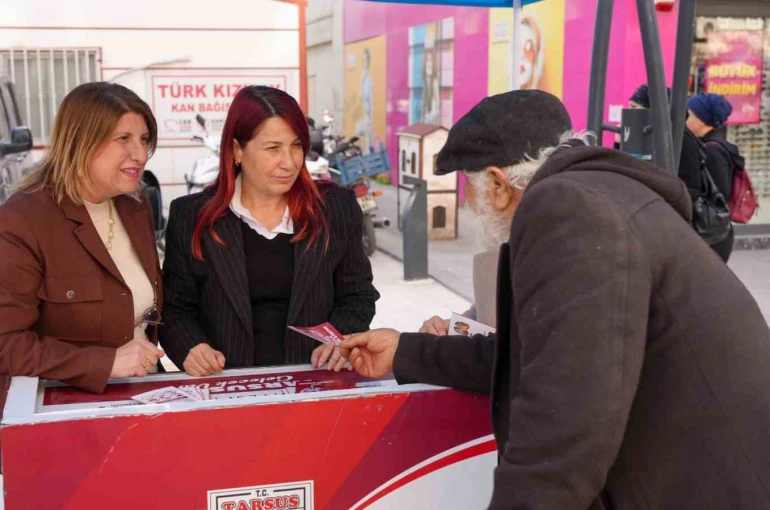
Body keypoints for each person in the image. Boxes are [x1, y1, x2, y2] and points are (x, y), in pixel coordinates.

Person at [342, 90, 770, 510]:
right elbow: (543, 355)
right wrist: (407, 352)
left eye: (467, 188)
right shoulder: (597, 194)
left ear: (498, 184)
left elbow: (562, 429)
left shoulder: (567, 210)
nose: (468, 204)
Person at [160, 85, 379, 376]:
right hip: (225, 385)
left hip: (316, 380)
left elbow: (358, 295)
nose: (289, 163)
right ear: (237, 150)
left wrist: (340, 338)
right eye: (273, 148)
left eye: (296, 146)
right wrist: (191, 347)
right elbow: (174, 309)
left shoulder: (335, 207)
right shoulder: (191, 217)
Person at [0, 83, 165, 416]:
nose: (140, 154)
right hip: (63, 412)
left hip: (141, 399)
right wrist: (105, 363)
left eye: (144, 139)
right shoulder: (23, 220)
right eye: (123, 139)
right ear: (81, 141)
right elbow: (7, 343)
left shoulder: (135, 206)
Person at [687, 92, 742, 261]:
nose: (685, 119)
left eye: (689, 114)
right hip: (711, 231)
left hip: (712, 234)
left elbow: (719, 194)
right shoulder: (704, 145)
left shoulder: (712, 150)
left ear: (702, 120)